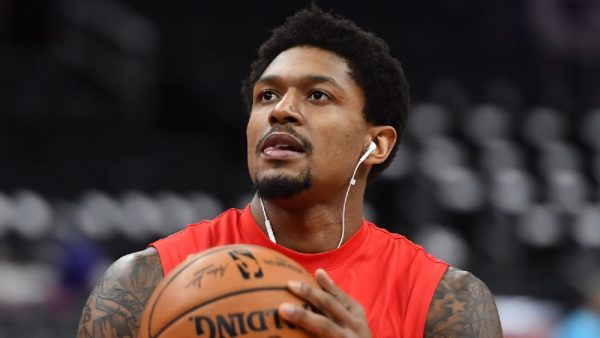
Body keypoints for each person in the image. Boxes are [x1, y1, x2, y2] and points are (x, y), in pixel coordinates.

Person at [77, 6, 503, 338]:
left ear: (376, 144)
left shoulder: (444, 303)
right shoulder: (143, 283)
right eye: (266, 96)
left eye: (317, 95)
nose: (280, 111)